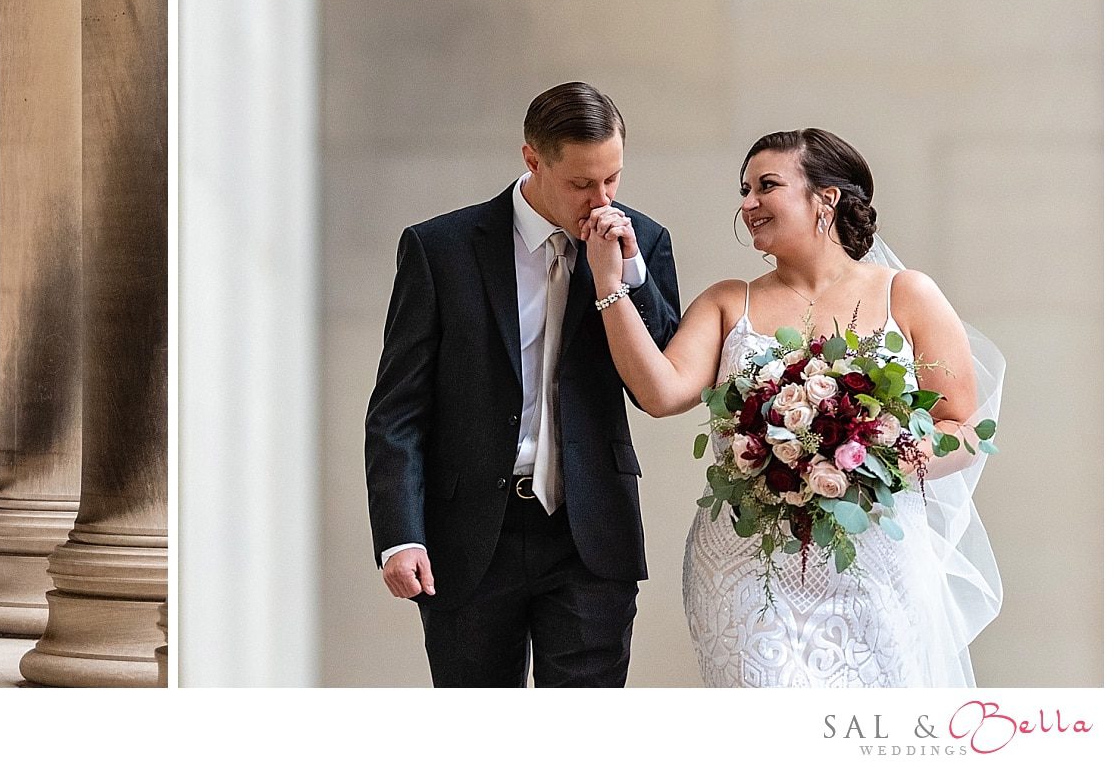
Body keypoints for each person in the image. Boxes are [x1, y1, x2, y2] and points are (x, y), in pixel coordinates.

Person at [583, 126, 1002, 687]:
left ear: (825, 198)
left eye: (766, 186)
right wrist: (609, 284)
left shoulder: (906, 293)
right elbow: (660, 393)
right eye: (745, 189)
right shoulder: (729, 300)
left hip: (874, 563)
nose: (747, 203)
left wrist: (876, 457)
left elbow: (964, 430)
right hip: (745, 566)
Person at [365, 82, 682, 686]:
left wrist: (628, 274)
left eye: (613, 178)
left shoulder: (645, 242)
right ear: (532, 160)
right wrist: (399, 536)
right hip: (470, 536)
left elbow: (661, 380)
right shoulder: (440, 249)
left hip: (590, 531)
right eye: (582, 183)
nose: (601, 199)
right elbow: (396, 412)